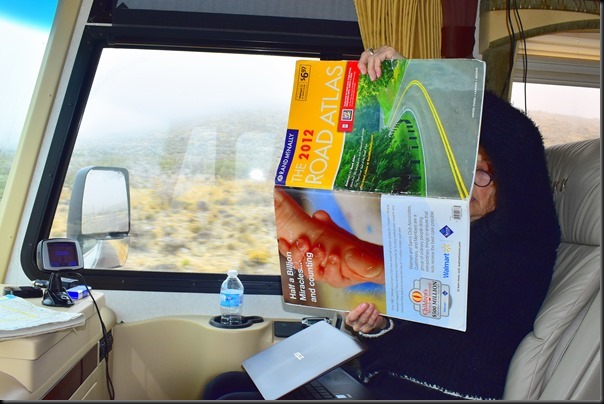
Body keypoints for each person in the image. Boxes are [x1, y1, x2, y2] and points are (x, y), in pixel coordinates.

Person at [201, 45, 561, 400]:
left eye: (483, 174)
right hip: (383, 379)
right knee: (223, 385)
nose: (469, 185)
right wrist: (377, 325)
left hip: (437, 393)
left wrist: (421, 79)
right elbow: (411, 323)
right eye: (463, 170)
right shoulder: (437, 233)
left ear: (508, 185)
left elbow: (519, 141)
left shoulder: (521, 235)